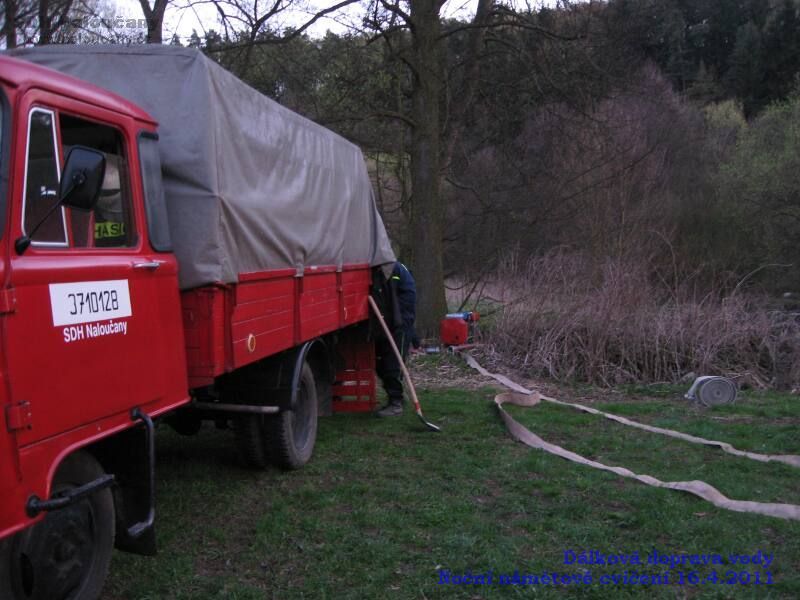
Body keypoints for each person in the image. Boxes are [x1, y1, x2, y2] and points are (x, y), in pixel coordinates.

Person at [374, 261, 418, 417]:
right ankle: (396, 396)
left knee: (393, 364)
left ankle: (396, 404)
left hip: (400, 325)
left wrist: (399, 325)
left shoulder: (395, 271)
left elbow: (402, 301)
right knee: (381, 364)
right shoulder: (390, 270)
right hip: (391, 323)